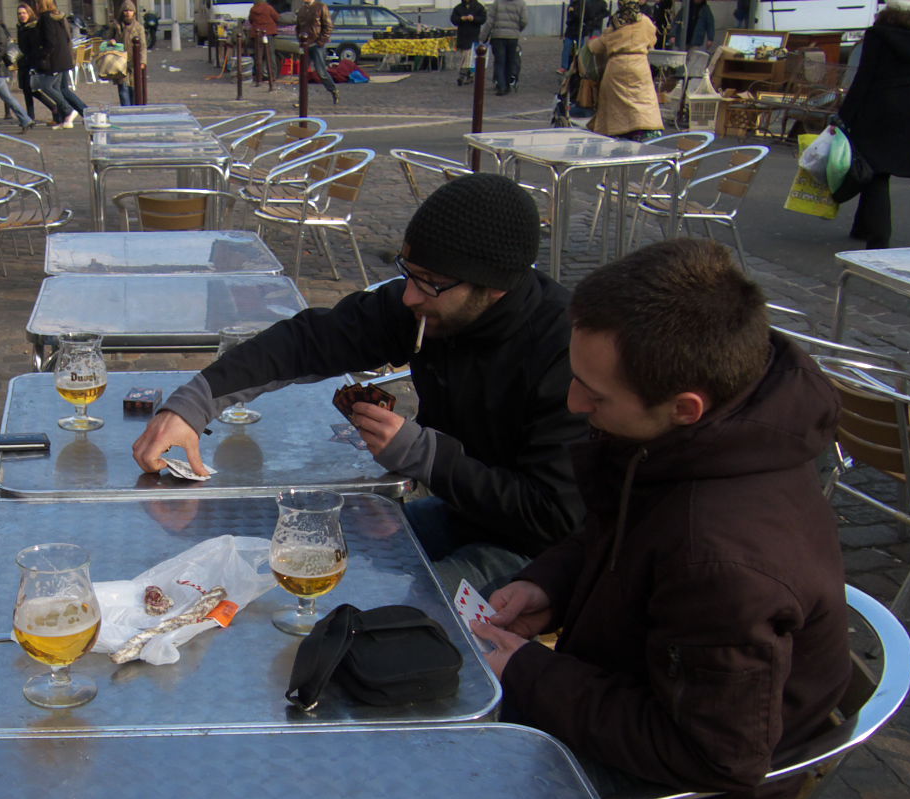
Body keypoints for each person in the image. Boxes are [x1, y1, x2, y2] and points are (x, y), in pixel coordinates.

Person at [472, 238, 851, 799]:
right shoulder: (711, 432)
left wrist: (529, 673)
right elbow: (627, 534)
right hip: (626, 688)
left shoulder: (722, 559)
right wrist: (552, 584)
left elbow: (712, 754)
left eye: (595, 394)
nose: (572, 403)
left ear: (684, 407)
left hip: (681, 789)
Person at [133, 174, 584, 594]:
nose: (410, 296)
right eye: (410, 273)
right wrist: (193, 404)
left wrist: (425, 457)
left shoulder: (565, 352)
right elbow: (310, 341)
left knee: (401, 617)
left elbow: (555, 517)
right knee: (299, 546)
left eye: (430, 284)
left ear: (495, 287)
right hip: (460, 509)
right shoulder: (429, 307)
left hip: (539, 553)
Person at [836, 0, 910, 249]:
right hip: (908, 109)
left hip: (874, 106)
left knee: (873, 171)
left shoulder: (878, 34)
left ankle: (878, 238)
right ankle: (862, 226)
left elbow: (864, 77)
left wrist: (843, 116)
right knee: (879, 168)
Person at [587, 0, 662, 139]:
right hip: (639, 65)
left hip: (616, 66)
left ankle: (620, 133)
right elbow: (652, 41)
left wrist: (591, 42)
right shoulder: (646, 22)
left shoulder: (615, 25)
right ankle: (642, 129)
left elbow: (597, 47)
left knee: (617, 105)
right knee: (642, 99)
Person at [28, 0, 88, 127]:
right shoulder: (59, 16)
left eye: (37, 4)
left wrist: (42, 55)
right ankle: (83, 114)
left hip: (55, 59)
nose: (36, 6)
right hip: (64, 57)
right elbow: (67, 37)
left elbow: (50, 41)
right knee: (63, 89)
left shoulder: (46, 18)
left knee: (47, 86)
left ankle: (69, 111)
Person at [14, 2, 60, 123]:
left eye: (24, 13)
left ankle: (52, 108)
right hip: (22, 62)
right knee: (26, 90)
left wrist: (33, 60)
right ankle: (31, 116)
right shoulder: (21, 27)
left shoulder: (33, 27)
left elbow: (35, 46)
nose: (22, 16)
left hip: (31, 62)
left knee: (33, 89)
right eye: (19, 14)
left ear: (29, 13)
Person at [294, 0, 338, 103]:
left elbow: (328, 26)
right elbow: (298, 27)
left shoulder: (321, 7)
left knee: (321, 71)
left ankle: (333, 90)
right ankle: (302, 100)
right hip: (305, 44)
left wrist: (321, 42)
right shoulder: (302, 10)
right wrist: (300, 39)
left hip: (317, 44)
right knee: (303, 73)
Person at [105, 1, 148, 105]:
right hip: (119, 62)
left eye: (130, 10)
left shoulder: (138, 27)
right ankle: (125, 111)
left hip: (134, 62)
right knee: (123, 90)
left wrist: (142, 61)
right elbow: (107, 38)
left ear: (134, 12)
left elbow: (143, 46)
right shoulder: (116, 26)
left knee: (134, 89)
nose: (128, 13)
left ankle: (135, 111)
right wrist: (110, 41)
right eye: (126, 10)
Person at [485, 0, 525, 95]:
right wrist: (517, 29)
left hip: (498, 36)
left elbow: (490, 21)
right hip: (513, 37)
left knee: (500, 62)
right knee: (510, 61)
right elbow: (524, 20)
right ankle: (507, 85)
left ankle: (501, 86)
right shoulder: (521, 3)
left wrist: (483, 36)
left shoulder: (497, 3)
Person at [560, 0, 606, 72]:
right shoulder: (573, 5)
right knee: (567, 48)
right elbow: (570, 18)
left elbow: (586, 16)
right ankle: (565, 67)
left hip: (583, 30)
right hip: (571, 30)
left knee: (581, 49)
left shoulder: (585, 4)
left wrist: (595, 19)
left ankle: (581, 66)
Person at [450, 0, 485, 86]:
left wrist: (474, 19)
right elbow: (453, 19)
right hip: (462, 36)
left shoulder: (479, 7)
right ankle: (470, 75)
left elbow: (483, 19)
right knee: (465, 56)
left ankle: (462, 75)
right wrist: (461, 19)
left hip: (473, 35)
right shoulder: (458, 8)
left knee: (468, 55)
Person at [248, 0, 280, 83]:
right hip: (268, 33)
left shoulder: (253, 9)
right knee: (270, 55)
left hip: (257, 34)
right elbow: (277, 18)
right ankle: (272, 76)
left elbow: (251, 20)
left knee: (258, 56)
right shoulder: (269, 8)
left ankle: (259, 76)